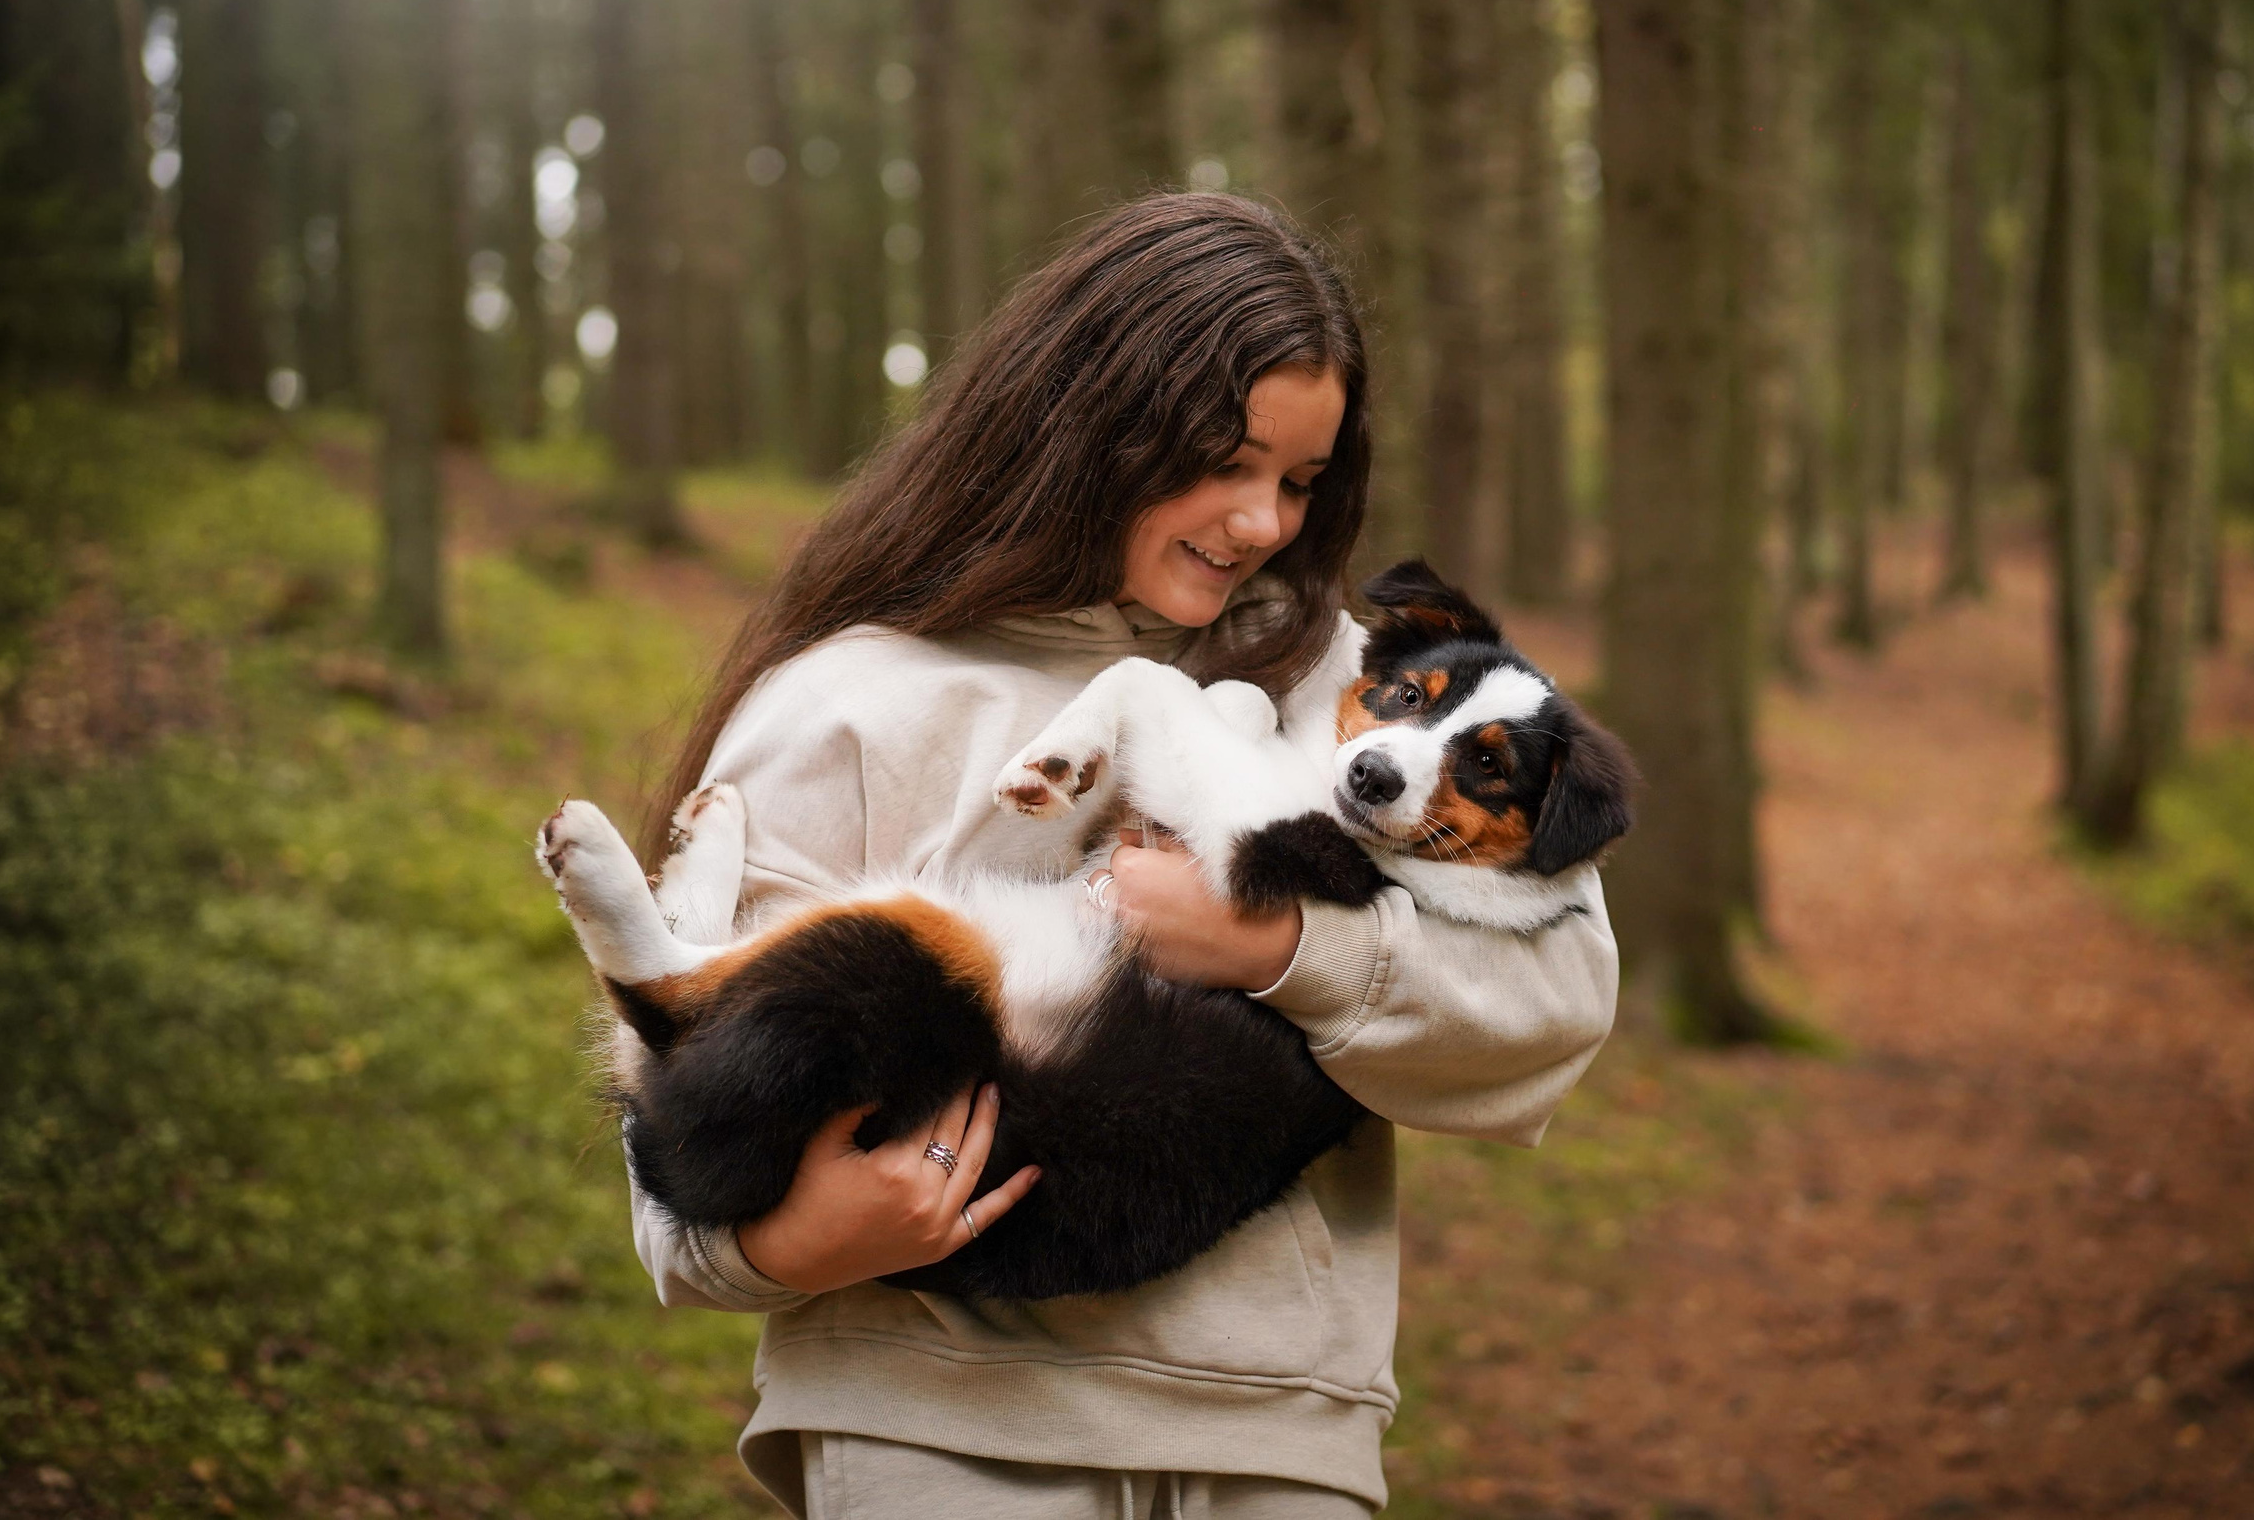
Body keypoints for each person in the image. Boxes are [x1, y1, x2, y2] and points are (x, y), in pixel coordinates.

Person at [630, 193, 1617, 1519]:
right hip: (932, 1427)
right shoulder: (846, 701)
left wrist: (1279, 945)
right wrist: (788, 1244)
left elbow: (1557, 1006)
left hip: (1275, 1438)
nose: (1265, 521)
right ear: (1097, 418)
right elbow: (682, 1077)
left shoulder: (1372, 695)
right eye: (1230, 460)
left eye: (1303, 482)